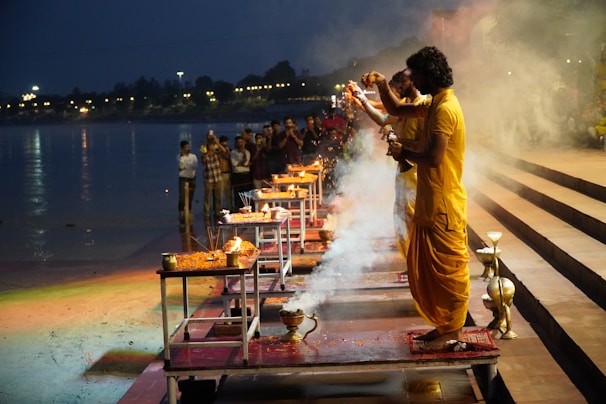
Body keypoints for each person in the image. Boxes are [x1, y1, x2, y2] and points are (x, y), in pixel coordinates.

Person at [360, 46, 470, 350]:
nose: (415, 81)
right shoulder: (434, 103)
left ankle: (453, 331)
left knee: (449, 272)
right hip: (429, 200)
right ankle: (443, 326)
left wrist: (403, 152)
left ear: (430, 75)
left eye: (418, 74)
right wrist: (382, 84)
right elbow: (396, 111)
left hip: (444, 204)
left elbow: (435, 158)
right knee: (431, 273)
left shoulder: (445, 108)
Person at [349, 68, 429, 261]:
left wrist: (400, 142)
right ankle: (413, 261)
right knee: (404, 218)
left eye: (403, 82)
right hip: (405, 171)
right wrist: (362, 99)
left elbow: (427, 144)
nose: (399, 87)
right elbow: (385, 118)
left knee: (416, 219)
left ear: (414, 82)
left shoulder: (424, 104)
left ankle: (421, 261)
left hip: (418, 173)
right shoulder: (407, 104)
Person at [200, 131, 226, 226]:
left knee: (218, 196)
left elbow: (224, 151)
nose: (211, 147)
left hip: (218, 178)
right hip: (209, 179)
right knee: (207, 197)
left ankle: (217, 212)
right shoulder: (204, 155)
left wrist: (216, 140)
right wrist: (207, 145)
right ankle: (207, 213)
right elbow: (204, 160)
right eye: (210, 146)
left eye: (212, 145)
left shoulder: (217, 153)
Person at [177, 140, 198, 226]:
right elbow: (181, 167)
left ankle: (188, 213)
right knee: (182, 197)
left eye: (188, 147)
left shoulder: (193, 156)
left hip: (192, 178)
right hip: (183, 179)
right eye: (186, 147)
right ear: (182, 148)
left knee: (190, 197)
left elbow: (194, 165)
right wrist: (186, 165)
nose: (187, 148)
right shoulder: (179, 157)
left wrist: (187, 166)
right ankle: (181, 214)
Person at [230, 135, 252, 209]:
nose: (240, 144)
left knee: (246, 193)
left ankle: (247, 207)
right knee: (237, 193)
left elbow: (246, 163)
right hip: (237, 175)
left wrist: (243, 155)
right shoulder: (233, 153)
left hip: (246, 175)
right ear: (236, 143)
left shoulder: (247, 152)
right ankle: (238, 208)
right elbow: (234, 164)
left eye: (241, 142)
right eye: (238, 142)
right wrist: (242, 163)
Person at [217, 135, 233, 210]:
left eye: (225, 142)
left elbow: (227, 156)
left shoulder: (228, 150)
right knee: (220, 193)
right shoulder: (217, 151)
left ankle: (229, 208)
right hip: (220, 173)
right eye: (223, 142)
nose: (225, 143)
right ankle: (219, 209)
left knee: (228, 193)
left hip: (228, 173)